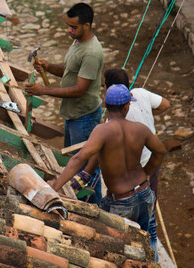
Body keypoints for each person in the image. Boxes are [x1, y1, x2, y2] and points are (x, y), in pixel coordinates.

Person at [50, 84, 167, 253]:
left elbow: (79, 157)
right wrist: (146, 172)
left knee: (117, 249)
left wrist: (56, 185)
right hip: (144, 193)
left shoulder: (102, 131)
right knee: (145, 244)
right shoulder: (140, 129)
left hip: (121, 201)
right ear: (127, 106)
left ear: (105, 105)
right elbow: (160, 151)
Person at [25, 2, 104, 204]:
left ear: (87, 25)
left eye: (73, 27)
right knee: (74, 165)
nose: (69, 31)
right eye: (68, 26)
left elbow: (79, 89)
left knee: (87, 170)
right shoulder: (77, 42)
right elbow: (69, 70)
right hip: (73, 115)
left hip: (84, 118)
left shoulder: (92, 52)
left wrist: (45, 90)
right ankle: (77, 201)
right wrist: (49, 67)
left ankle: (94, 209)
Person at [102, 68, 170, 260]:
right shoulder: (141, 93)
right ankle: (153, 256)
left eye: (104, 85)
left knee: (131, 223)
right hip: (151, 162)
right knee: (149, 212)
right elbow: (165, 104)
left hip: (136, 168)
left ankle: (141, 256)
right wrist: (148, 114)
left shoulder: (115, 117)